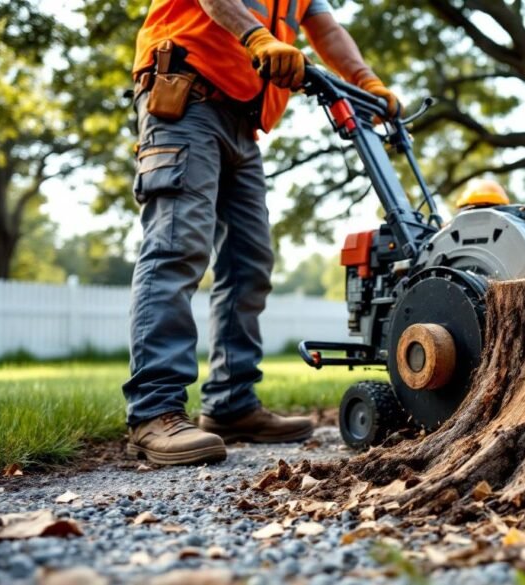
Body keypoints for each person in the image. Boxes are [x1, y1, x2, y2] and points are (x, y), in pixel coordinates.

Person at [123, 0, 399, 465]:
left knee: (249, 264)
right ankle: (154, 411)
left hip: (242, 125)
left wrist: (365, 81)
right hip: (184, 97)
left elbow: (326, 31)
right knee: (177, 248)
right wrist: (258, 38)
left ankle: (232, 405)